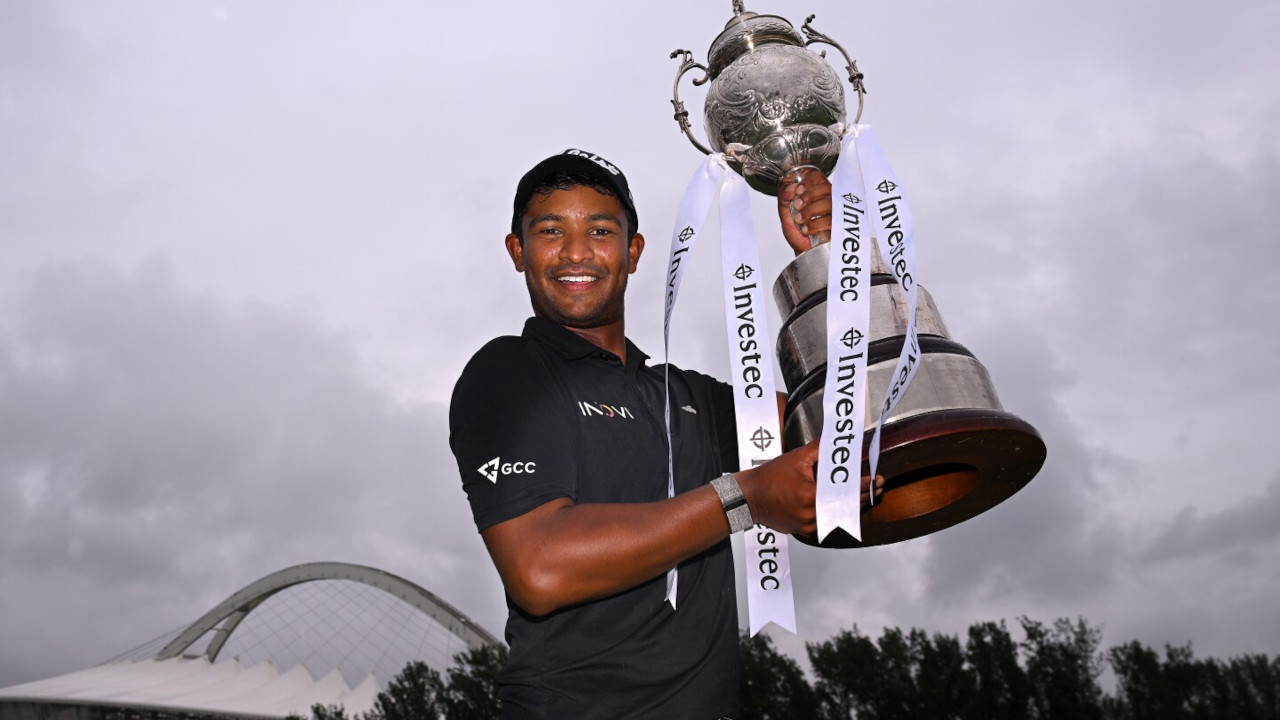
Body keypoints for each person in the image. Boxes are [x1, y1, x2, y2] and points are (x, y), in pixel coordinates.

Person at [448, 149, 878, 719]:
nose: (576, 252)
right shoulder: (508, 373)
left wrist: (827, 262)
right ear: (517, 251)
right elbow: (539, 567)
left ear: (633, 252)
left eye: (600, 231)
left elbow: (854, 426)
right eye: (550, 231)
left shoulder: (692, 397)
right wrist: (745, 498)